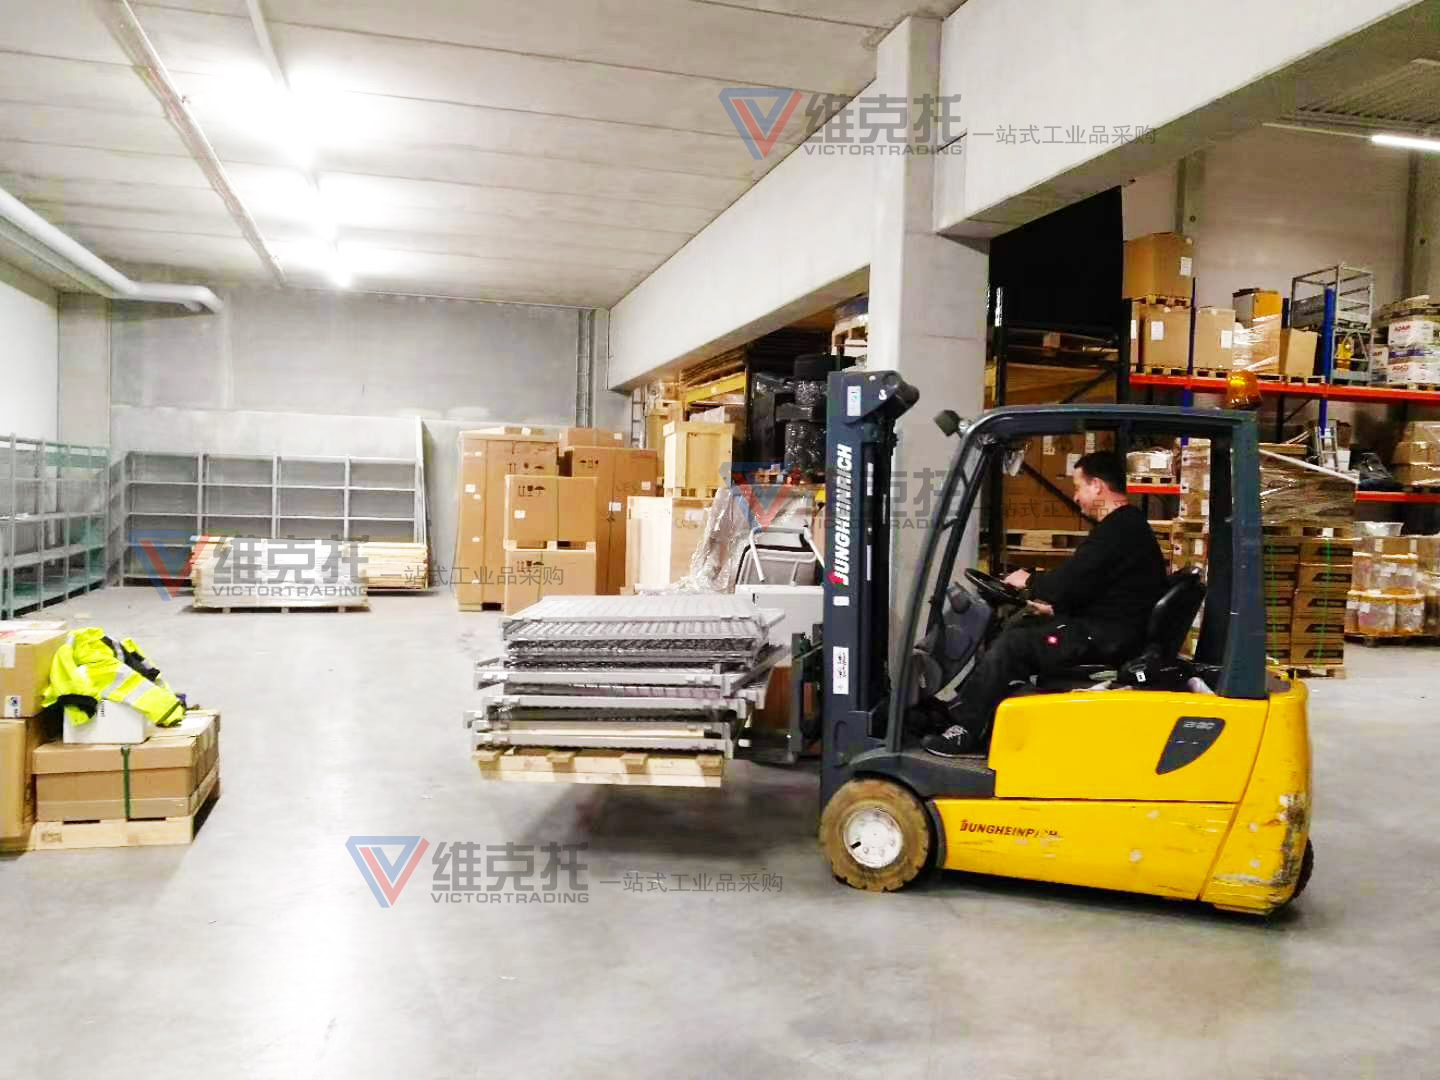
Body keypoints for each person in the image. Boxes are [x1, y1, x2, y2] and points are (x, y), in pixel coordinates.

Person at [923, 449, 1169, 757]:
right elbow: (1095, 588)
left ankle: (965, 729)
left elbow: (1068, 582)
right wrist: (1053, 607)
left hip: (1105, 637)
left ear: (1097, 486)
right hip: (1105, 627)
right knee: (1017, 627)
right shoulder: (1125, 527)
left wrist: (1028, 581)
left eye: (1078, 488)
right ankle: (966, 710)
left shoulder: (1117, 530)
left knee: (1013, 644)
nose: (1076, 497)